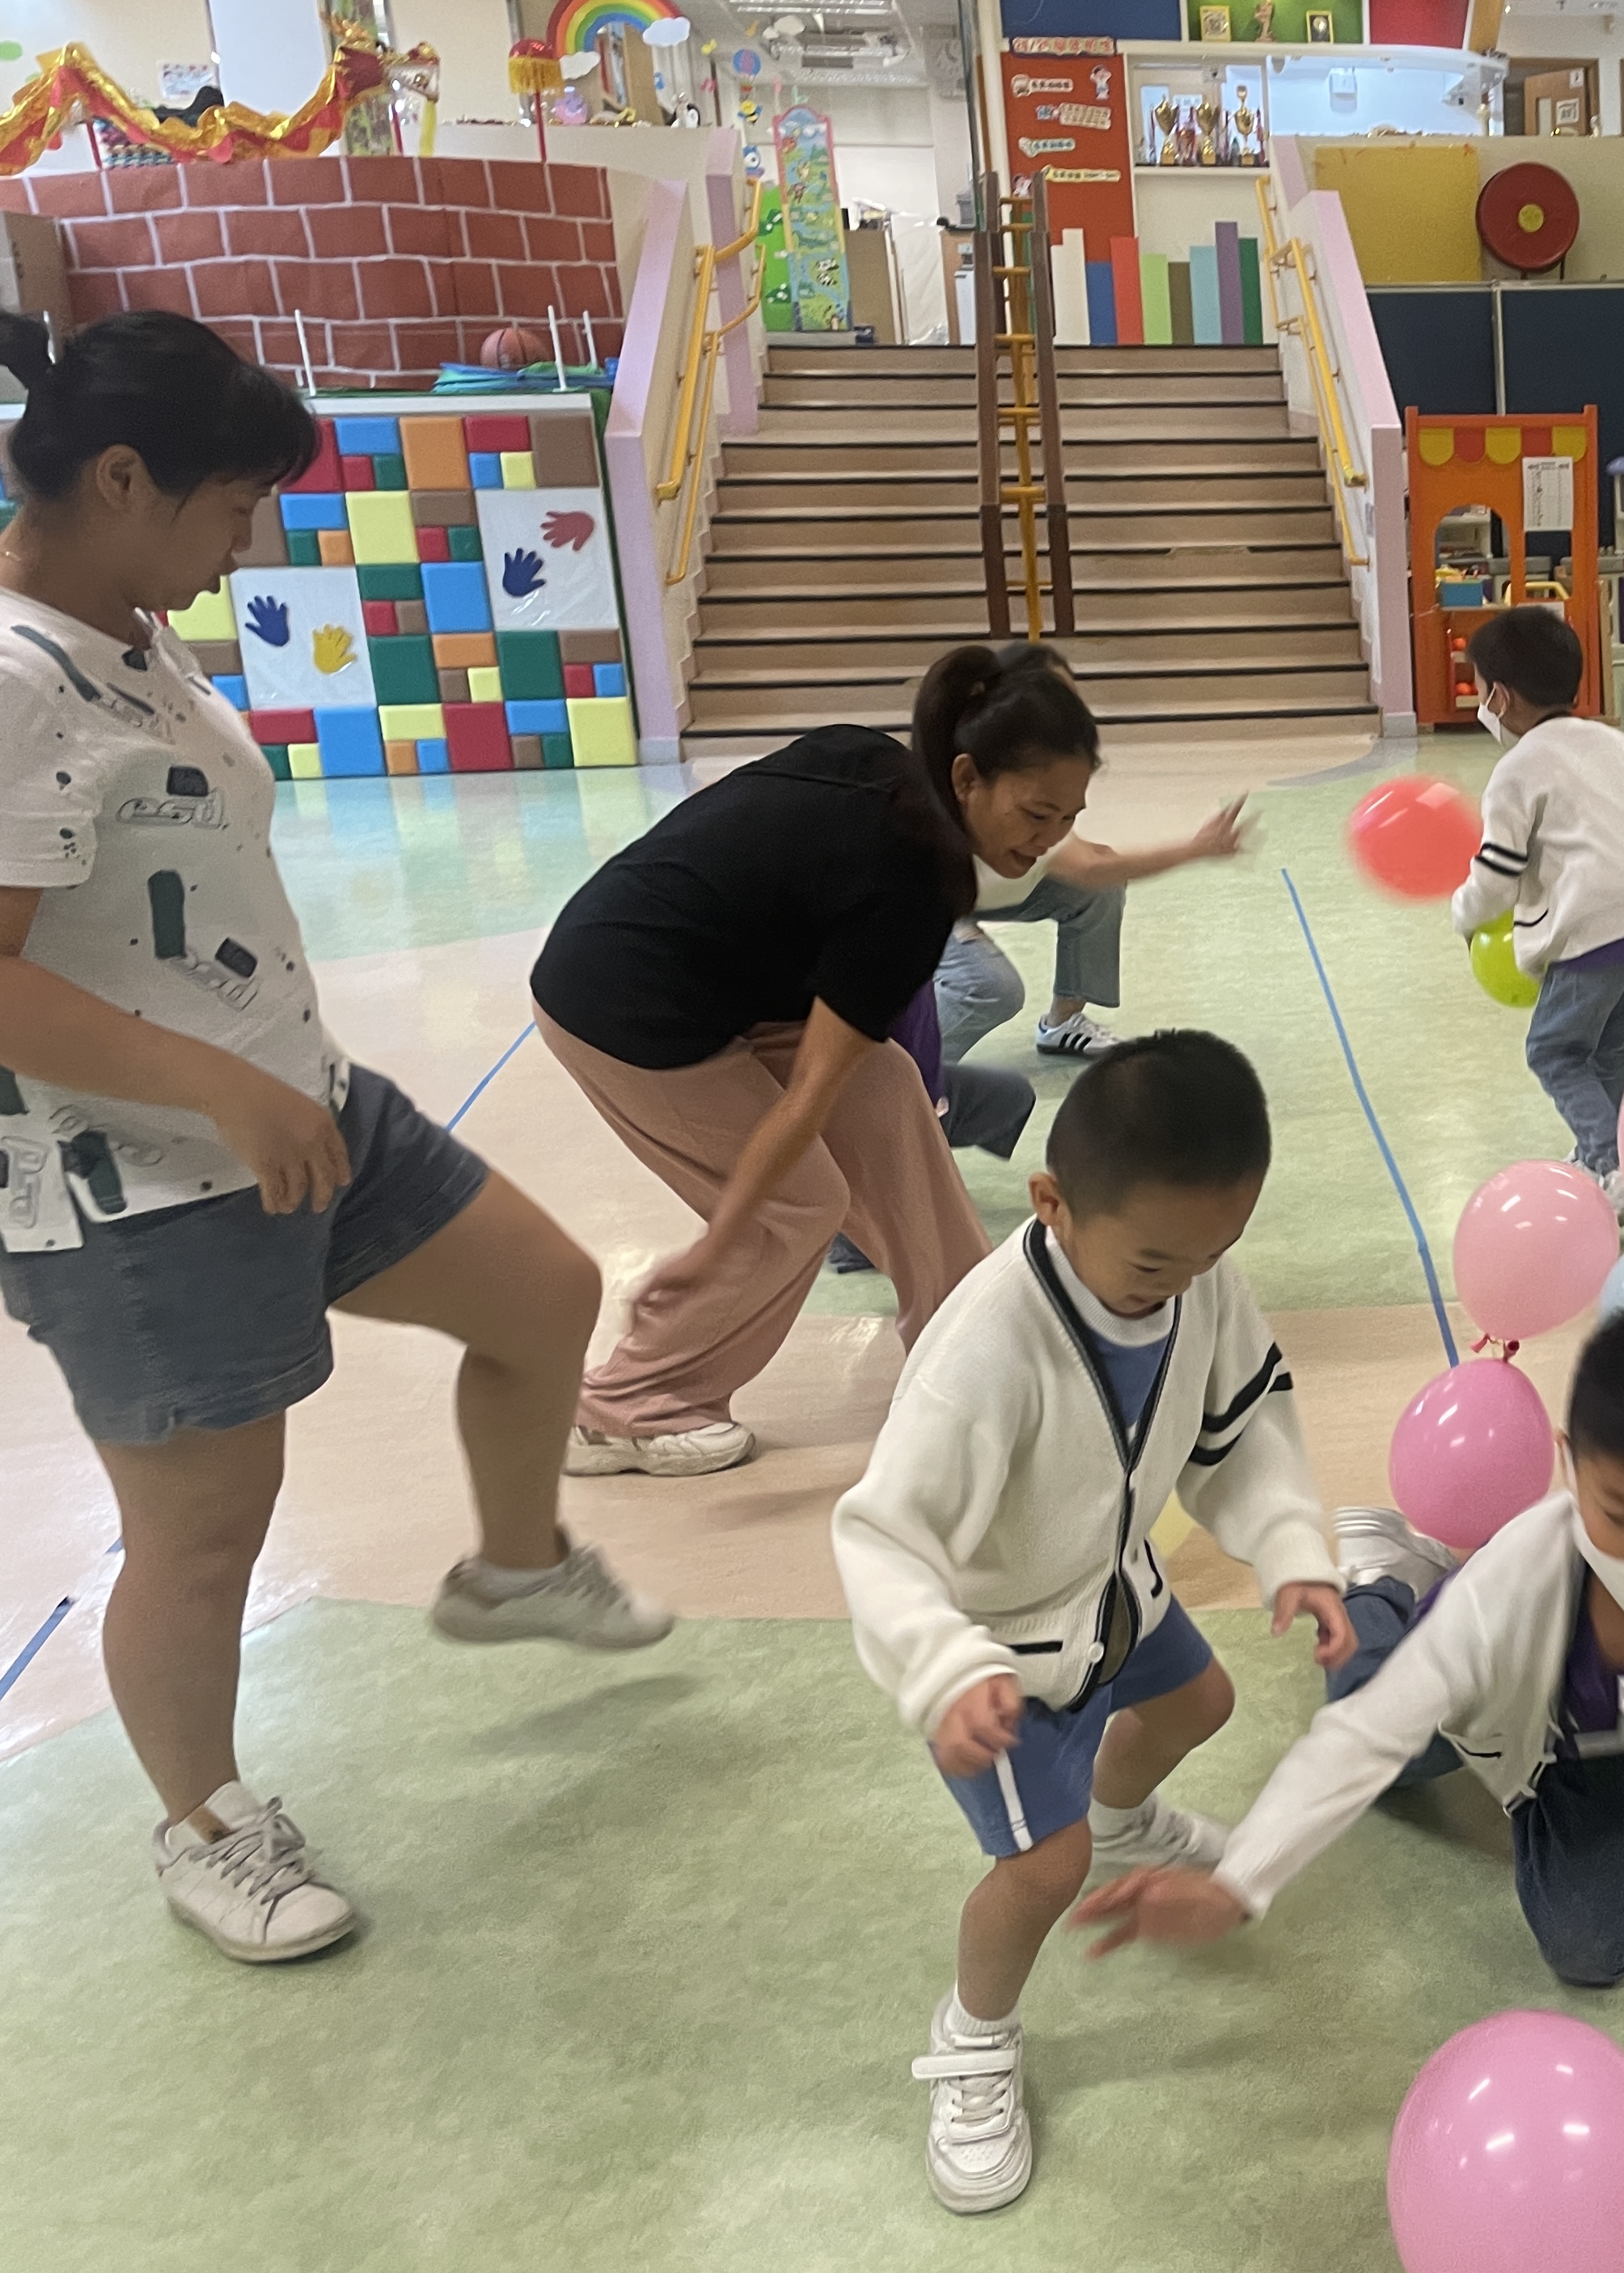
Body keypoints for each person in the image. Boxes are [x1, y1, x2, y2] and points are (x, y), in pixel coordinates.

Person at [0, 308, 665, 1969]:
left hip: (299, 1101)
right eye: (233, 508)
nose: (247, 546)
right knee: (203, 1530)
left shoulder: (128, 634)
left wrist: (259, 1078)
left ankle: (518, 1564)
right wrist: (212, 1085)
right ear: (123, 478)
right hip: (135, 1181)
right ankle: (206, 1826)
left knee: (542, 1294)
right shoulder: (12, 678)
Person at [1075, 1306, 1624, 2262]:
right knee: (1370, 1710)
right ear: (1569, 1464)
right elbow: (1370, 1736)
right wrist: (1239, 1881)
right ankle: (1382, 1578)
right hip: (1480, 1709)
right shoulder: (1515, 1582)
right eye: (1616, 1513)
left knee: (1591, 1949)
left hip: (1607, 1755)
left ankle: (1457, 1656)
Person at [830, 1032, 1351, 2216]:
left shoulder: (1197, 1276)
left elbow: (1243, 1424)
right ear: (1053, 1204)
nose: (1190, 1281)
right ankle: (972, 2041)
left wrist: (1291, 1550)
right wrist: (941, 1667)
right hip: (999, 1653)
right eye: (1157, 1262)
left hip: (1114, 1588)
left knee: (1199, 1702)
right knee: (1039, 1868)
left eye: (1216, 1251)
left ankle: (1120, 1824)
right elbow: (884, 1538)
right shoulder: (984, 1352)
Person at [531, 644, 1099, 1476]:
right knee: (797, 1205)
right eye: (1036, 814)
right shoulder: (908, 890)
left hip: (723, 983)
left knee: (890, 1088)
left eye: (1068, 818)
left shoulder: (879, 761)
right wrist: (719, 1238)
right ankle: (624, 1404)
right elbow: (807, 1100)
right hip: (623, 1003)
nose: (1048, 841)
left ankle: (967, 1337)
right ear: (968, 776)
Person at [1444, 606, 1624, 1220]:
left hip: (1600, 930)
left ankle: (1614, 1165)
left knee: (1554, 1051)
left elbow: (1496, 879)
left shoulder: (1517, 769)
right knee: (1605, 1050)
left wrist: (1463, 915)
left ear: (1500, 697)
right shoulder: (1621, 746)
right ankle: (1598, 1158)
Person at [935, 793, 1246, 1067]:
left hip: (972, 888)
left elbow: (1095, 864)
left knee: (1099, 889)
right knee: (990, 987)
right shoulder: (997, 797)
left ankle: (1062, 1025)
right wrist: (1195, 849)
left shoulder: (1040, 796)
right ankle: (914, 1065)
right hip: (922, 900)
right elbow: (1093, 865)